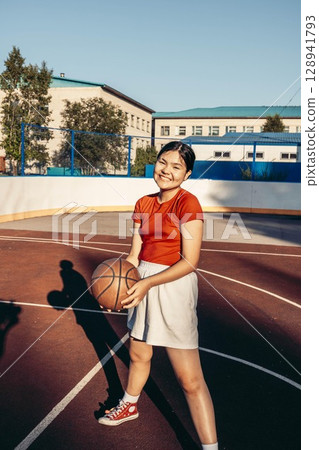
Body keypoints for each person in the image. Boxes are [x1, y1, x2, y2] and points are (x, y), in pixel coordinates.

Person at [98, 141, 218, 449]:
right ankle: (130, 404)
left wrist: (149, 283)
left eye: (176, 166)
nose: (166, 170)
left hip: (172, 286)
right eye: (163, 162)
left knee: (189, 380)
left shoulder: (187, 205)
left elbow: (190, 261)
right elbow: (135, 255)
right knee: (139, 354)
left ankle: (210, 446)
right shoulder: (143, 203)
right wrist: (117, 288)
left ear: (187, 173)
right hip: (141, 282)